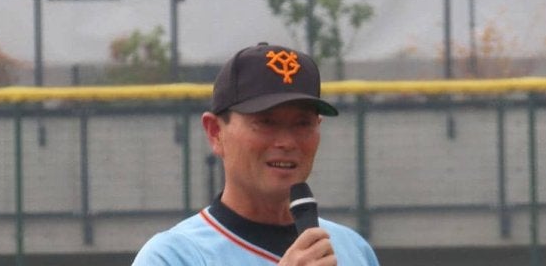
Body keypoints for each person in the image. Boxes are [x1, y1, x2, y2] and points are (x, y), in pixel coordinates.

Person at [133, 42, 379, 265]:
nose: (287, 142)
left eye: (302, 123)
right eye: (265, 122)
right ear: (215, 132)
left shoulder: (353, 250)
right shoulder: (173, 256)